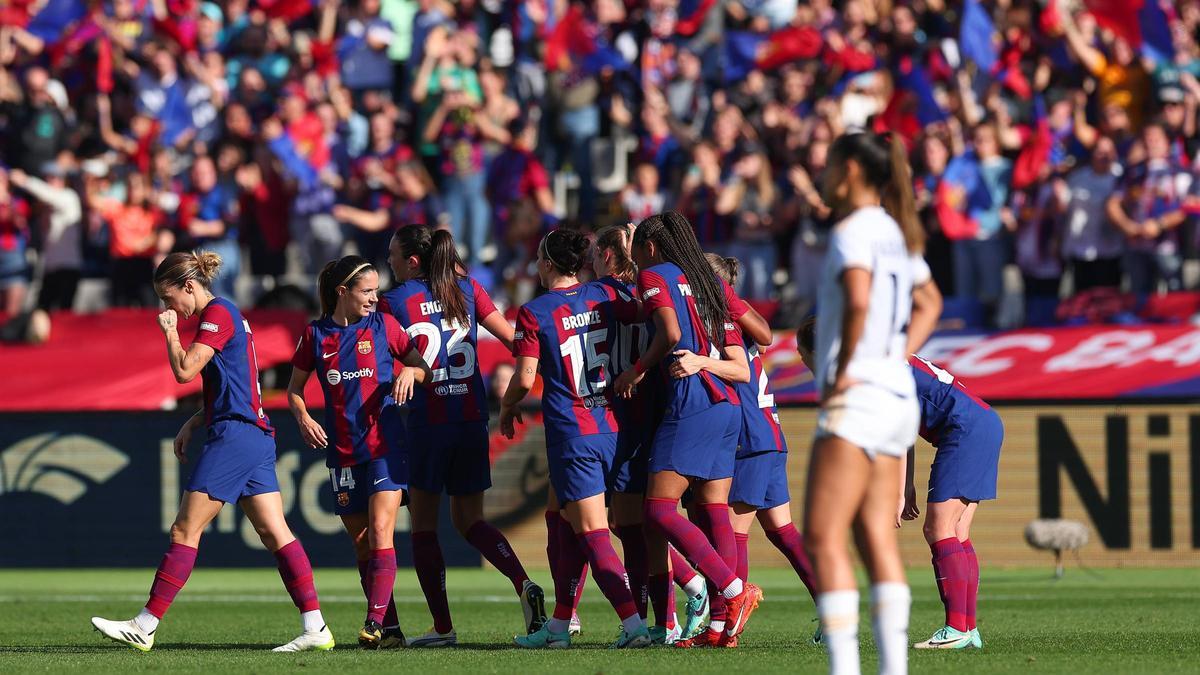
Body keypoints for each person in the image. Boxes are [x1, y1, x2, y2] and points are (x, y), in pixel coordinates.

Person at [91, 251, 333, 653]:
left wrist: (169, 332)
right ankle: (315, 627)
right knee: (276, 533)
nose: (169, 309)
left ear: (189, 286)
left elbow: (185, 370)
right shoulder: (225, 315)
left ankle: (146, 624)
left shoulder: (217, 314)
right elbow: (235, 386)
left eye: (170, 300)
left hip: (236, 436)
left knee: (185, 529)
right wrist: (195, 420)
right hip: (252, 432)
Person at [803, 131, 942, 675]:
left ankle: (844, 668)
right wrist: (894, 354)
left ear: (853, 170)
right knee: (874, 536)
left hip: (858, 399)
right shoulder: (895, 229)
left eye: (831, 162)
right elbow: (929, 301)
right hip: (897, 397)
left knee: (822, 534)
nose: (824, 172)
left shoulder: (854, 231)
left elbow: (858, 299)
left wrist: (842, 371)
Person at [379, 224, 546, 646]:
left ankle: (442, 628)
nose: (390, 263)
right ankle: (523, 583)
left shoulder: (395, 301)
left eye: (394, 256)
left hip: (426, 424)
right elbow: (515, 339)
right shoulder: (467, 288)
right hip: (471, 420)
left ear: (413, 261)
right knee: (471, 521)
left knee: (423, 527)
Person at [795, 319, 998, 651]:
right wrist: (905, 486)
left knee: (939, 530)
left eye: (805, 357)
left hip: (964, 429)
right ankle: (967, 628)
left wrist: (892, 495)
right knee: (956, 532)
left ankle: (957, 628)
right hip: (982, 421)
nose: (806, 365)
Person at [613, 210, 764, 648]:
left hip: (692, 403)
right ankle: (721, 627)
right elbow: (754, 348)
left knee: (658, 510)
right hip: (729, 406)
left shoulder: (655, 275)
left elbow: (670, 331)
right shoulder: (708, 282)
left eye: (639, 252)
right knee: (714, 510)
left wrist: (637, 371)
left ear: (651, 248)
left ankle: (735, 591)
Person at [500, 228, 650, 649]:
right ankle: (560, 627)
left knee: (593, 534)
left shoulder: (534, 312)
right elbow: (646, 310)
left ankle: (635, 626)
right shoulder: (604, 295)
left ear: (547, 264)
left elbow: (525, 378)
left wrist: (508, 407)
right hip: (614, 428)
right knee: (568, 523)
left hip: (574, 434)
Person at [286, 255, 432, 649]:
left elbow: (423, 368)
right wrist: (303, 418)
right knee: (363, 540)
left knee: (382, 530)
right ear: (342, 293)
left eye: (375, 290)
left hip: (385, 446)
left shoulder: (384, 324)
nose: (374, 297)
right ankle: (393, 630)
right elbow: (294, 391)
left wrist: (407, 371)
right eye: (366, 291)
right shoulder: (316, 335)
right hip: (344, 452)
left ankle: (373, 622)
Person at [678, 254, 817, 648]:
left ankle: (725, 624)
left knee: (732, 533)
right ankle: (833, 607)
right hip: (769, 435)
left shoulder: (719, 323)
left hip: (750, 438)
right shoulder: (736, 322)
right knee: (782, 531)